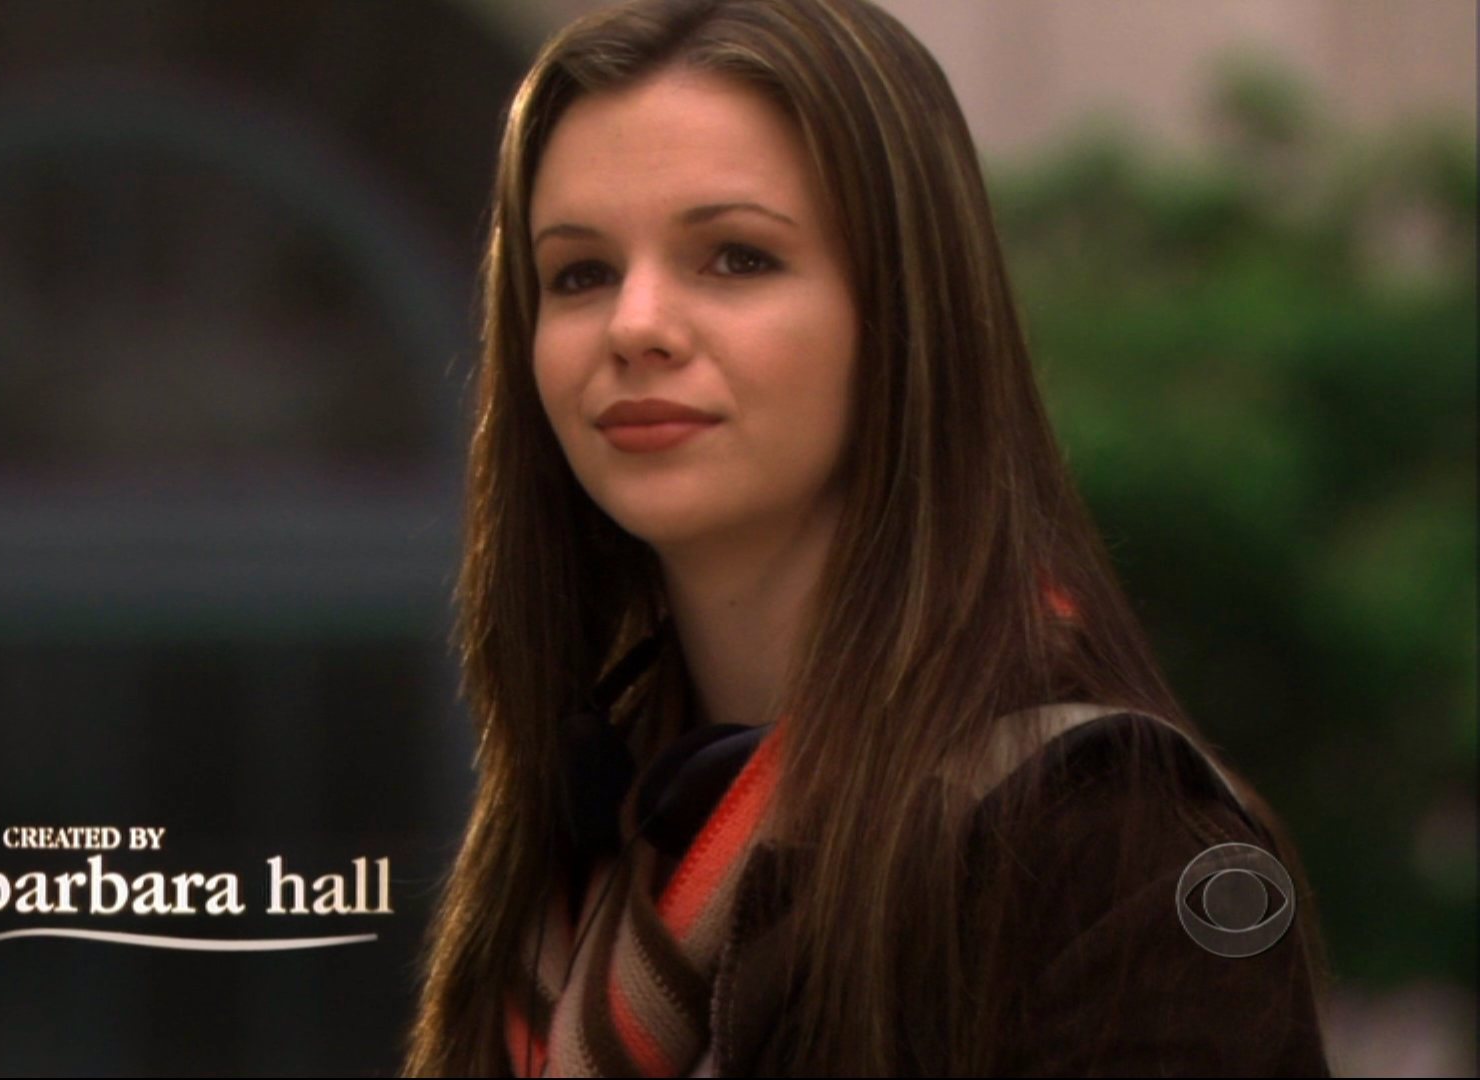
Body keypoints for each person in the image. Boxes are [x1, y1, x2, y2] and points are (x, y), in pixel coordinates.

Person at [405, 0, 1333, 1074]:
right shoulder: (572, 858)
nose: (635, 324)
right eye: (580, 273)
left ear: (902, 313)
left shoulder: (1106, 845)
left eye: (737, 257)